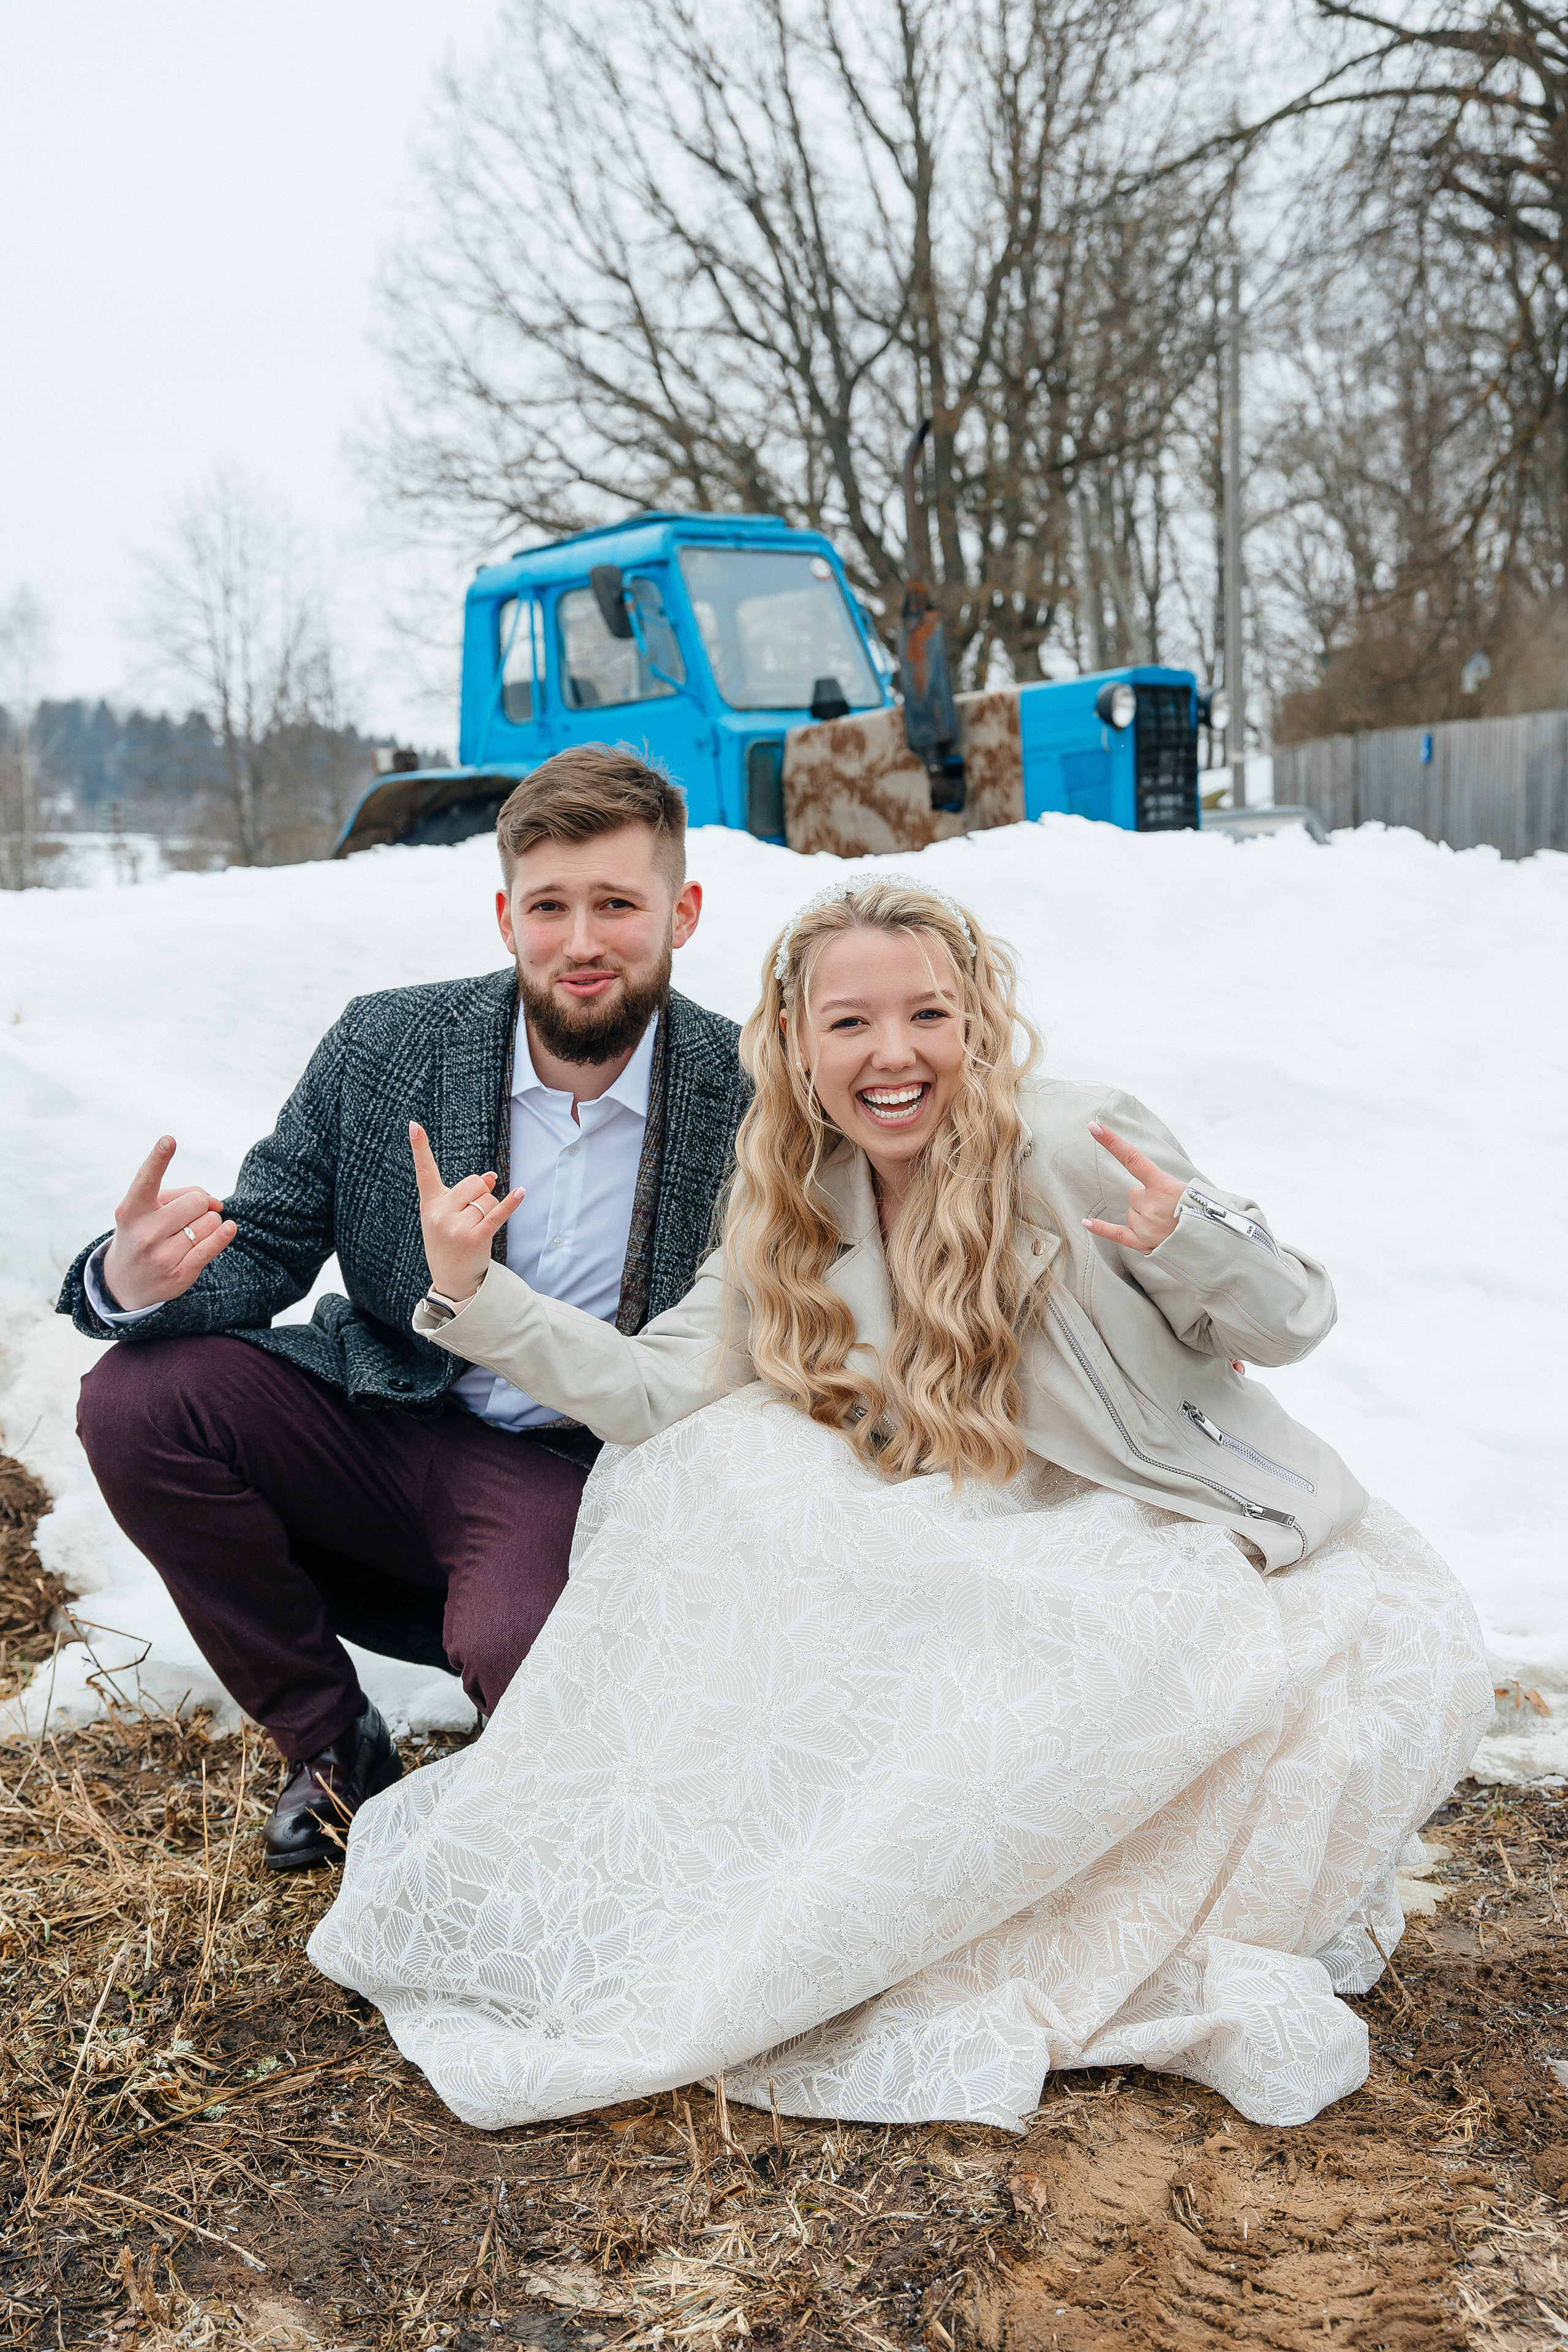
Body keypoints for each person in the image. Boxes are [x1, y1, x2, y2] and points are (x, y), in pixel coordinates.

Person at [308, 873, 1490, 2133]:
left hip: (1138, 1506)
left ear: (974, 1022)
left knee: (1122, 1646)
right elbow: (655, 1393)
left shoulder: (1076, 1138)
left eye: (925, 1016)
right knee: (708, 1471)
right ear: (797, 1043)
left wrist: (1183, 1236)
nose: (891, 1055)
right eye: (850, 1023)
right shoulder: (789, 1202)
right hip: (953, 1503)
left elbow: (1287, 1317)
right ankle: (789, 1892)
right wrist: (473, 1289)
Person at [58, 747, 749, 1871]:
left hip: (568, 1473)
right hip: (383, 1415)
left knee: (524, 1658)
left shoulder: (748, 1093)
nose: (582, 942)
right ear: (504, 915)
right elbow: (273, 1238)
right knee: (138, 1401)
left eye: (619, 904)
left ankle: (527, 1735)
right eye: (550, 907)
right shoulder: (387, 1045)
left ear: (684, 910)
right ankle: (331, 1744)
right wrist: (133, 1281)